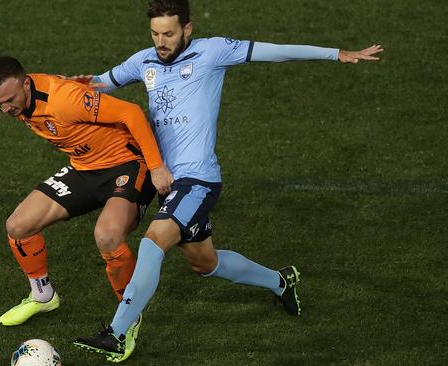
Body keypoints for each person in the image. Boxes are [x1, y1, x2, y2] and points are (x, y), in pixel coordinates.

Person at [73, 0, 383, 362]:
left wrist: (335, 54)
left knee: (153, 242)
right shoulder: (143, 61)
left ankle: (117, 333)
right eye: (156, 33)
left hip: (198, 181)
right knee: (204, 262)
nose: (162, 41)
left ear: (188, 29)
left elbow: (275, 52)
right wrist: (66, 87)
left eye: (169, 33)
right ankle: (281, 281)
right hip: (169, 182)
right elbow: (98, 85)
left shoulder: (213, 51)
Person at [0, 56, 173, 329]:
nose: (5, 108)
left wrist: (157, 167)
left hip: (127, 164)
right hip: (83, 168)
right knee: (18, 226)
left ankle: (128, 316)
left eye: (9, 100)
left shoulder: (64, 100)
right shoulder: (7, 98)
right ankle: (43, 296)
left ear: (26, 85)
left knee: (107, 236)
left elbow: (131, 112)